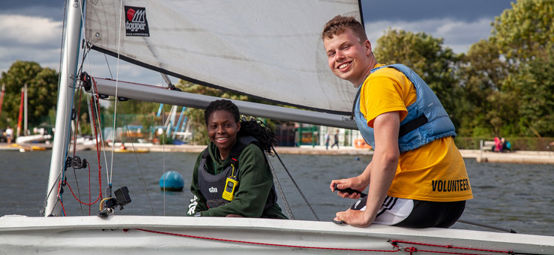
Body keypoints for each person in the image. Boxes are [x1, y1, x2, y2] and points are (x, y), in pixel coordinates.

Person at [322, 16, 472, 228]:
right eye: (331, 53)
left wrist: (367, 216)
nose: (338, 57)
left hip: (419, 196)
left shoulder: (377, 84)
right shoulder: (388, 76)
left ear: (366, 47)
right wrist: (363, 180)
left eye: (345, 47)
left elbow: (388, 154)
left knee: (349, 219)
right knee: (364, 206)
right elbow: (403, 140)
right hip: (452, 200)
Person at [187, 99, 287, 218]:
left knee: (234, 216)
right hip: (218, 228)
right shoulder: (204, 159)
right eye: (214, 126)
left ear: (237, 126)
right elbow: (197, 201)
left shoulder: (251, 153)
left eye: (227, 125)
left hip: (266, 227)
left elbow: (246, 206)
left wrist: (203, 216)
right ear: (207, 129)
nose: (220, 131)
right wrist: (194, 218)